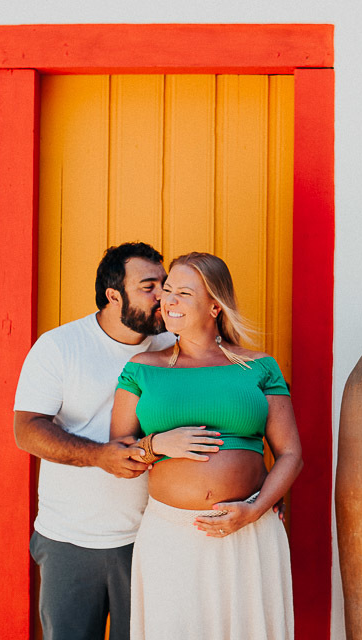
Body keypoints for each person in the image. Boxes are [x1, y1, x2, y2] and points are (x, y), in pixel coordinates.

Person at [13, 242, 221, 640]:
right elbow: (27, 429)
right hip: (71, 540)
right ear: (113, 295)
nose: (163, 296)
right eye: (149, 286)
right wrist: (98, 456)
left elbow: (219, 409)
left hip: (151, 537)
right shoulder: (60, 347)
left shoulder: (173, 348)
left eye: (165, 284)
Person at [110, 252, 302, 640]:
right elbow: (117, 451)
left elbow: (291, 454)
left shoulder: (259, 367)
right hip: (171, 535)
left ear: (215, 305)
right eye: (167, 291)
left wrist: (253, 510)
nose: (170, 301)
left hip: (248, 531)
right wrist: (157, 443)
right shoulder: (142, 367)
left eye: (183, 292)